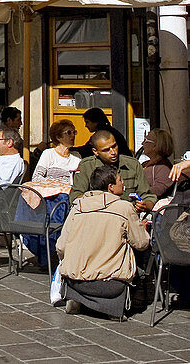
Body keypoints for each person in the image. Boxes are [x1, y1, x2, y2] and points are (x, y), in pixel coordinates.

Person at [57, 162, 150, 315]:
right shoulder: (124, 208)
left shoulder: (78, 206)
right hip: (110, 285)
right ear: (110, 187)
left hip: (74, 281)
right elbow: (141, 243)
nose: (123, 183)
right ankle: (134, 302)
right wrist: (142, 229)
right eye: (120, 180)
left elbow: (61, 246)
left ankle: (76, 299)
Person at [69, 130, 155, 210]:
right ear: (96, 152)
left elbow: (147, 196)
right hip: (98, 214)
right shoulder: (87, 166)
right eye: (106, 150)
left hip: (127, 214)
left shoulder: (132, 165)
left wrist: (144, 205)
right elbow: (76, 196)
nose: (113, 152)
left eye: (114, 146)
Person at [31, 119, 81, 185]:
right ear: (58, 137)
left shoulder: (76, 156)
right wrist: (57, 183)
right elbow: (36, 177)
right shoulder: (49, 154)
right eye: (69, 132)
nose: (73, 135)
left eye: (74, 132)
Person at [139, 128, 174, 198]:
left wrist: (138, 192)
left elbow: (158, 190)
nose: (142, 143)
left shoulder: (164, 168)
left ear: (155, 146)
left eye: (146, 140)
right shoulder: (144, 164)